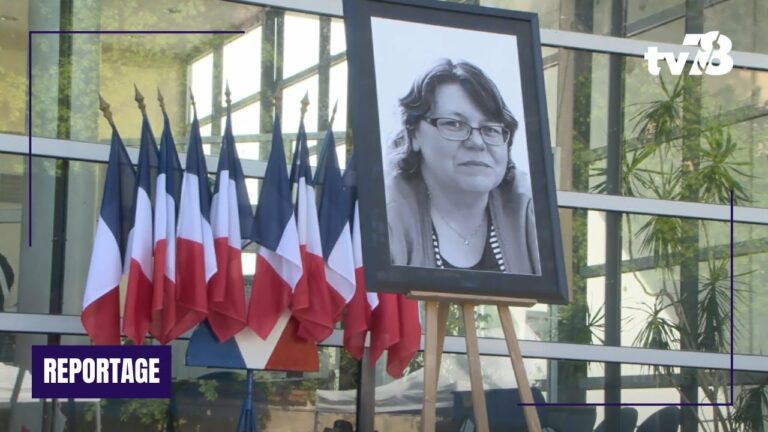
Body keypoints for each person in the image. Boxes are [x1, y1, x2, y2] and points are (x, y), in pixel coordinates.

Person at [385, 59, 540, 274]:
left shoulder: (529, 210)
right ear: (413, 135)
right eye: (454, 124)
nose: (476, 142)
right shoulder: (388, 217)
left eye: (490, 129)